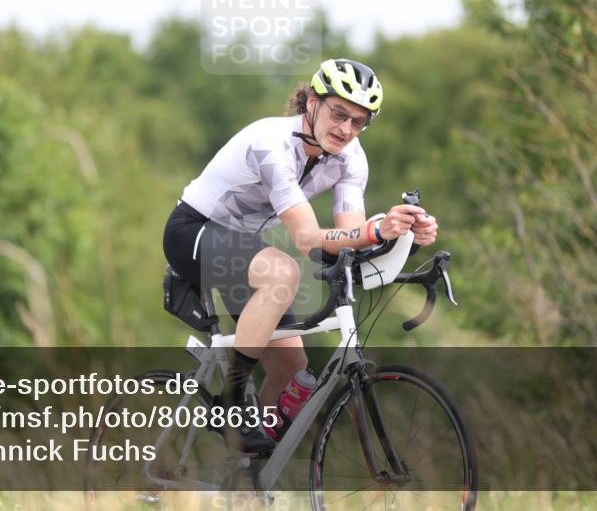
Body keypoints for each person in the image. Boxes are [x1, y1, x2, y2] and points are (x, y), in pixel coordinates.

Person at [162, 58, 439, 454]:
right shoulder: (271, 145)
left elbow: (349, 236)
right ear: (311, 102)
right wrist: (377, 229)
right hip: (192, 230)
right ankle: (232, 403)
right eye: (338, 113)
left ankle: (243, 477)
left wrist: (404, 234)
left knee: (291, 368)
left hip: (244, 245)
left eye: (358, 122)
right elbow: (311, 238)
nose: (346, 129)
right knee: (284, 271)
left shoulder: (351, 159)